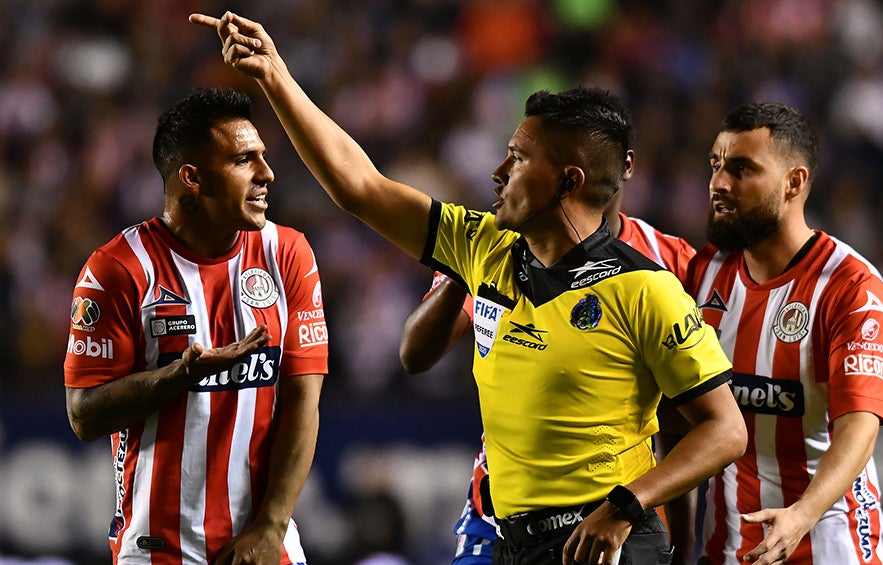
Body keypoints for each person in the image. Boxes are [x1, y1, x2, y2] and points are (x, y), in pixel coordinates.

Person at [191, 12, 747, 565]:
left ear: (568, 181)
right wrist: (275, 76)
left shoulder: (646, 289)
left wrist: (627, 506)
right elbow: (359, 186)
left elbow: (725, 431)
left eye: (520, 157)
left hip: (600, 542)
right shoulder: (484, 247)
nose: (497, 171)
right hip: (509, 541)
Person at [63, 88, 328, 565]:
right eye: (244, 160)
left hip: (266, 548)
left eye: (263, 158)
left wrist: (271, 527)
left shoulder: (287, 254)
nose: (266, 174)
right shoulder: (119, 269)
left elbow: (303, 404)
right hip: (157, 550)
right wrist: (179, 378)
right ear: (192, 178)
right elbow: (83, 416)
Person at [399, 189, 699, 565]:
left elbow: (689, 417)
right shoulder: (501, 246)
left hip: (604, 518)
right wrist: (466, 264)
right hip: (494, 515)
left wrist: (681, 538)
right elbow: (415, 354)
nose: (505, 176)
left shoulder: (669, 263)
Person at [680, 101, 883, 564]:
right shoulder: (703, 273)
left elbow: (860, 425)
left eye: (741, 169)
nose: (719, 182)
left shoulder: (850, 285)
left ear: (794, 182)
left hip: (827, 541)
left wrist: (802, 514)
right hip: (729, 547)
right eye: (716, 166)